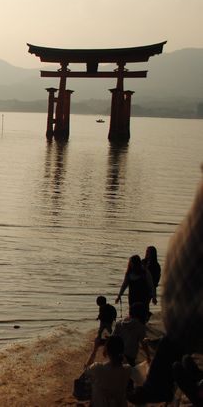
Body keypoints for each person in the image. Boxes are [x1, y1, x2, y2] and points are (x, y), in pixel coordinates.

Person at [129, 166, 203, 404]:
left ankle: (162, 383)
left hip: (184, 314)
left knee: (177, 337)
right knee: (177, 339)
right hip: (185, 315)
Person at [84, 336, 132, 407]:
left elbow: (86, 370)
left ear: (106, 350)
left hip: (99, 404)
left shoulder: (97, 368)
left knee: (91, 380)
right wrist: (119, 349)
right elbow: (124, 362)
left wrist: (95, 349)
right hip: (120, 404)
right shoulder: (128, 369)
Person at [112, 302, 150, 366]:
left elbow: (112, 338)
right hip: (130, 355)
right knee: (130, 372)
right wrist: (148, 355)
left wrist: (106, 349)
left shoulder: (119, 323)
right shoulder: (140, 326)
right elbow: (143, 343)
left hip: (117, 353)